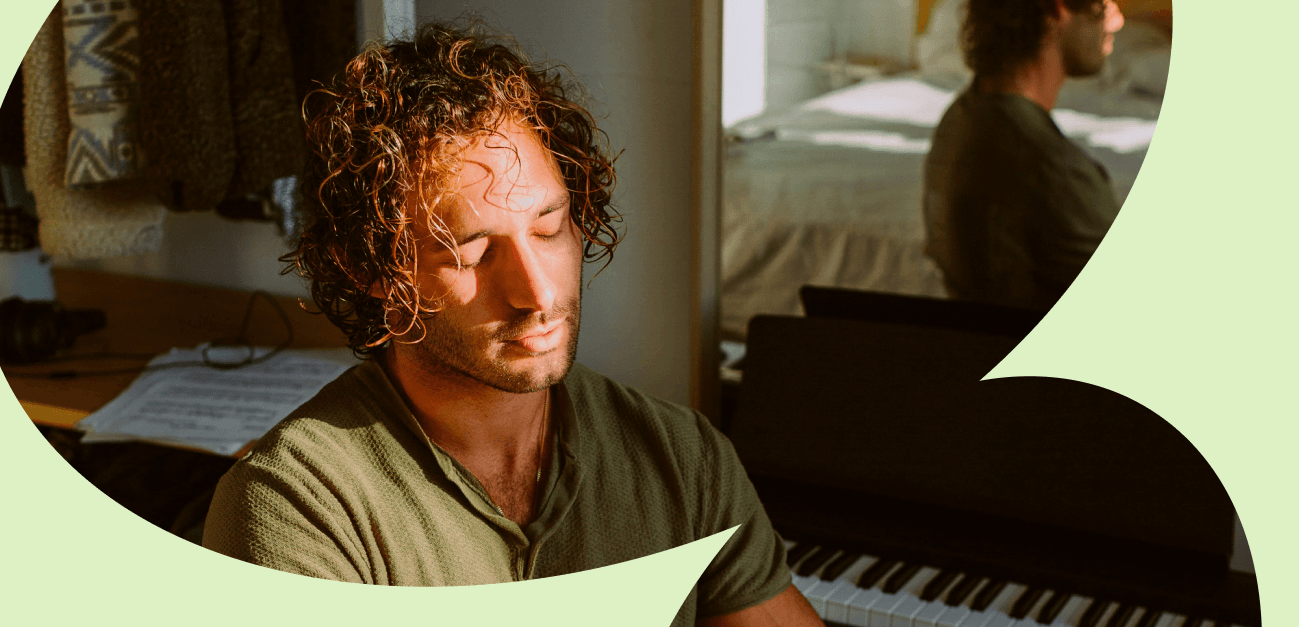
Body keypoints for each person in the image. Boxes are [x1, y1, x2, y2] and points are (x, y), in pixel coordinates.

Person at [201, 22, 823, 627]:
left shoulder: (681, 456)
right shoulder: (298, 509)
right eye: (471, 252)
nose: (538, 292)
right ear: (372, 270)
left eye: (549, 229)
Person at [922, 0, 1126, 310]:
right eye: (1103, 6)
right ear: (1057, 10)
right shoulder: (1051, 168)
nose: (1117, 22)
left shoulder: (961, 117)